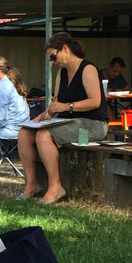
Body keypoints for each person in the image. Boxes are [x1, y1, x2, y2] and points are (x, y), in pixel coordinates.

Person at [17, 32, 108, 205]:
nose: (52, 62)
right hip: (69, 123)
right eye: (50, 59)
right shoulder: (62, 73)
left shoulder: (88, 69)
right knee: (24, 133)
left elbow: (95, 101)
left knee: (44, 135)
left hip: (92, 125)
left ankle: (55, 187)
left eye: (53, 56)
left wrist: (67, 107)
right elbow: (57, 102)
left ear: (65, 49)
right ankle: (32, 184)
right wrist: (45, 114)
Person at [0, 56, 30, 161]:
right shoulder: (11, 83)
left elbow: (0, 120)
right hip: (20, 129)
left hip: (8, 130)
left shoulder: (2, 88)